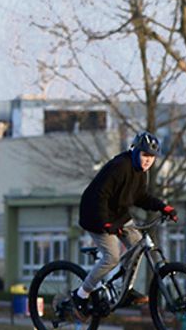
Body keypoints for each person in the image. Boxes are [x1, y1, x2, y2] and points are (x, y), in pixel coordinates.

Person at [72, 130, 177, 317]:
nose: (148, 161)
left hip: (118, 214)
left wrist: (163, 208)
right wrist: (104, 224)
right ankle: (81, 295)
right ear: (135, 151)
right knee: (111, 257)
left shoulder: (140, 173)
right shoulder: (120, 166)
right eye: (145, 155)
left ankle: (124, 290)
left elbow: (141, 197)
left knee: (137, 247)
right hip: (95, 214)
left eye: (152, 157)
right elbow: (100, 196)